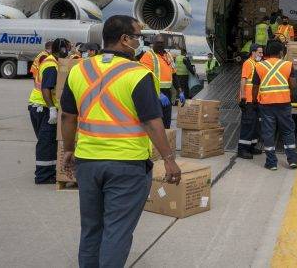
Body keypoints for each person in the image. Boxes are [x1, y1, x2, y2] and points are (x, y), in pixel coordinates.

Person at [60, 15, 181, 268]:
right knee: (117, 232)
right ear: (125, 39)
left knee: (91, 229)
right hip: (127, 166)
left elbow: (68, 116)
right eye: (137, 36)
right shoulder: (137, 73)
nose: (140, 41)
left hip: (88, 163)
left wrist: (69, 150)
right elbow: (152, 121)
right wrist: (169, 160)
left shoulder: (79, 69)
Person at [27, 37, 69, 184]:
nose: (68, 53)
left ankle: (49, 172)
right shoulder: (51, 65)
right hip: (42, 107)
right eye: (67, 49)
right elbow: (46, 88)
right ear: (62, 50)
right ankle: (43, 176)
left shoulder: (54, 62)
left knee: (49, 141)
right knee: (46, 141)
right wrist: (51, 108)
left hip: (41, 106)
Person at [252, 40, 297, 170]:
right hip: (284, 103)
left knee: (268, 132)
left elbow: (255, 87)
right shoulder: (288, 65)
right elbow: (293, 85)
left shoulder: (259, 66)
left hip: (266, 104)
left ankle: (271, 163)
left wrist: (255, 101)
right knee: (288, 131)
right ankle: (292, 160)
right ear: (280, 52)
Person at [139, 34, 177, 128]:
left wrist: (180, 90)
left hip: (167, 93)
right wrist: (158, 93)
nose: (160, 45)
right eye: (158, 43)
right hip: (154, 93)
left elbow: (174, 74)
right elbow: (145, 78)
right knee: (156, 123)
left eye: (162, 43)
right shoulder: (148, 56)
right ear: (153, 44)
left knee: (166, 122)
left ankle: (166, 139)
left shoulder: (168, 56)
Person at [238, 44, 264, 159]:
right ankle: (242, 149)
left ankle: (251, 146)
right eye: (260, 53)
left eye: (262, 53)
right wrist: (243, 97)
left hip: (255, 100)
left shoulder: (257, 64)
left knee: (255, 125)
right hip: (248, 100)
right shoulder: (248, 63)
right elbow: (243, 80)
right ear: (253, 52)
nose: (261, 55)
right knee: (248, 124)